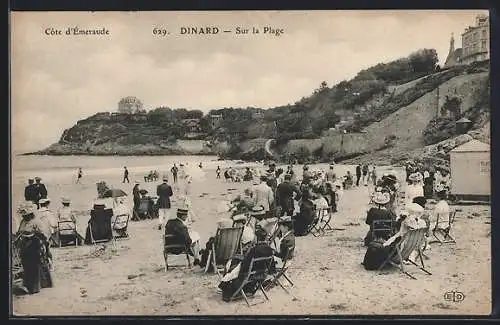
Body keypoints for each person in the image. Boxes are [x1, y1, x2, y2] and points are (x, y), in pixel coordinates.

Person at [218, 226, 274, 302]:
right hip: (262, 273)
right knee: (235, 265)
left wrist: (237, 267)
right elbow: (271, 265)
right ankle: (246, 288)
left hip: (250, 274)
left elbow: (246, 264)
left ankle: (227, 287)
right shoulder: (269, 249)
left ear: (257, 238)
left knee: (232, 267)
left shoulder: (254, 249)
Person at [14, 202, 53, 294]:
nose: (24, 217)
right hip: (25, 246)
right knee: (26, 265)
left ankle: (34, 287)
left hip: (34, 245)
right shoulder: (23, 222)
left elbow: (44, 234)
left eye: (26, 215)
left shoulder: (36, 222)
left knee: (35, 265)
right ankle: (28, 284)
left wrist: (43, 244)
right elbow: (19, 232)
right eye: (24, 215)